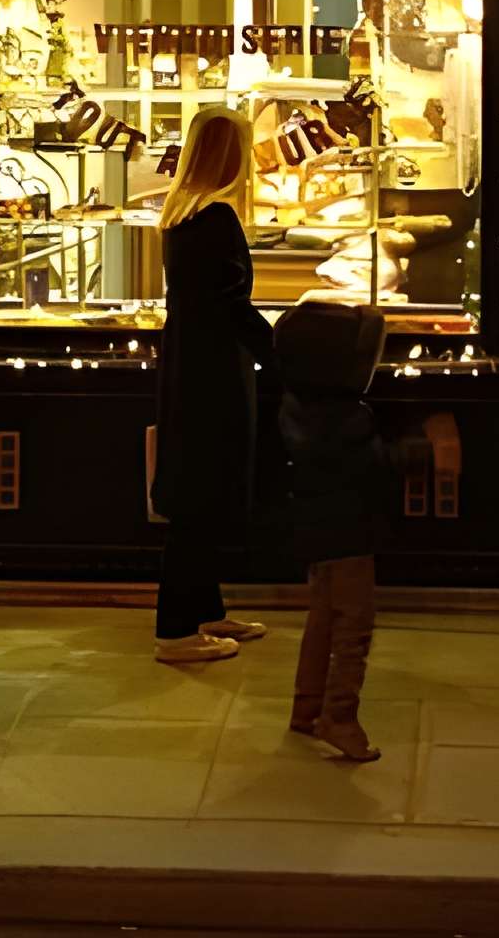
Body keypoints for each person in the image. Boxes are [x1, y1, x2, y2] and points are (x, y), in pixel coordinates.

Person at [151, 106, 275, 663]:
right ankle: (176, 631)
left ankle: (206, 609)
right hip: (214, 376)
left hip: (188, 368)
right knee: (202, 500)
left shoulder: (181, 214)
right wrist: (280, 352)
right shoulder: (218, 216)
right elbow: (232, 304)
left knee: (195, 495)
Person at [272, 300, 399, 763]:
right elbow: (374, 470)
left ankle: (306, 707)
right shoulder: (346, 418)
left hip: (317, 529)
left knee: (323, 617)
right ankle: (340, 717)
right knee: (354, 627)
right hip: (348, 531)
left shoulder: (300, 405)